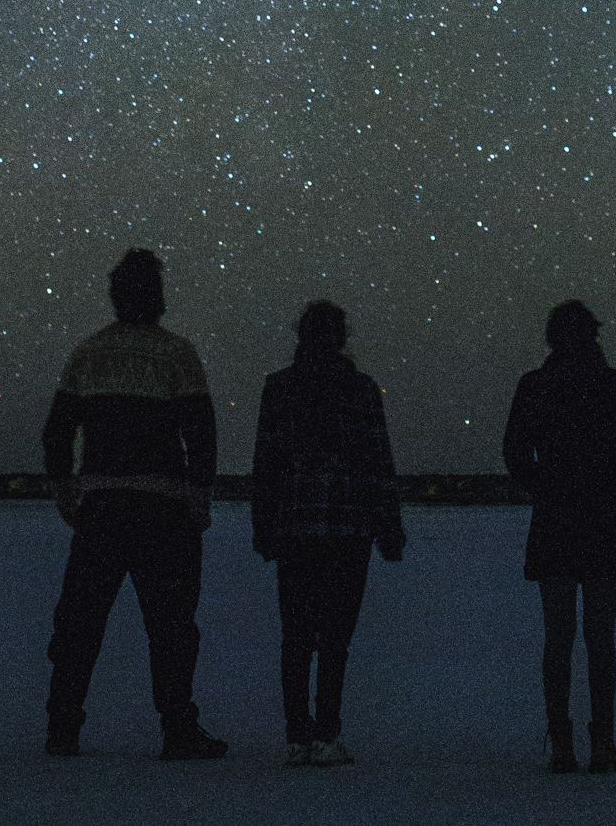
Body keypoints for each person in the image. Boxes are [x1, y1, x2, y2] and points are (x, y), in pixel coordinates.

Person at [41, 248, 229, 761]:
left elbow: (56, 433)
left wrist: (68, 493)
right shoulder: (176, 355)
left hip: (101, 508)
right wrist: (199, 495)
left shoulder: (89, 353)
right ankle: (177, 728)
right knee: (170, 626)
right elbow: (201, 432)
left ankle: (63, 727)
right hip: (164, 509)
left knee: (80, 623)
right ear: (158, 297)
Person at [250, 300, 406, 767]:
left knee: (296, 634)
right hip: (347, 527)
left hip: (296, 526)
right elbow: (378, 461)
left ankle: (297, 736)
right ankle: (325, 734)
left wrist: (264, 525)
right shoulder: (358, 390)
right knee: (335, 636)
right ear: (341, 337)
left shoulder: (279, 388)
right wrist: (388, 525)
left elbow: (266, 465)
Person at [501, 300, 616, 774]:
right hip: (598, 517)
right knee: (597, 637)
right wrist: (608, 483)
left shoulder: (537, 385)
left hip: (558, 519)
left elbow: (515, 450)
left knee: (560, 637)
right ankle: (598, 742)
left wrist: (546, 484)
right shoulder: (610, 384)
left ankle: (566, 741)